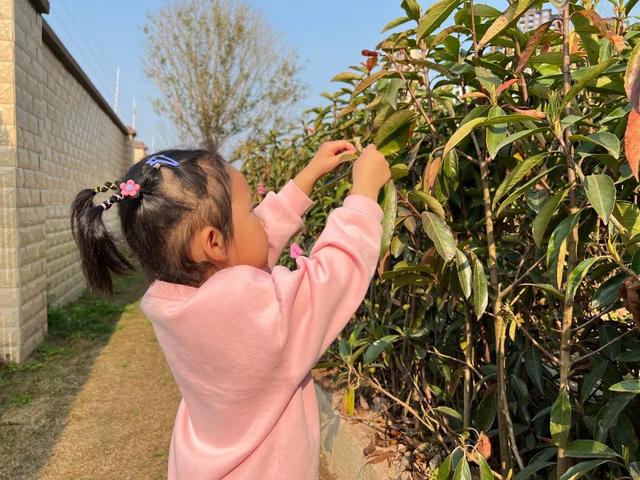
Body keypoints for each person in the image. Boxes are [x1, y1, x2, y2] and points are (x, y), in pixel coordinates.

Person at [70, 141, 390, 479]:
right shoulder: (258, 314)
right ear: (213, 243)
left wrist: (306, 178)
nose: (260, 219)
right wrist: (363, 196)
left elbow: (242, 250)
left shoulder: (172, 298)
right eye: (251, 210)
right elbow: (331, 279)